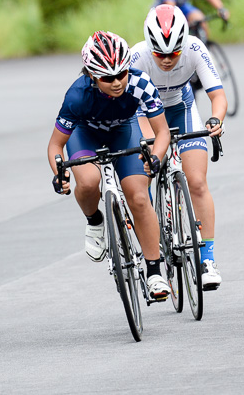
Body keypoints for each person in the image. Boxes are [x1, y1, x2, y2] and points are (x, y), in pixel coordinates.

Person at [47, 31, 173, 299]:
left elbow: (162, 132)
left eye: (122, 74)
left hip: (123, 131)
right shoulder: (77, 95)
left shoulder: (141, 83)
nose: (117, 83)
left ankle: (154, 273)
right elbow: (55, 146)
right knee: (89, 182)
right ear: (92, 76)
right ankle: (95, 220)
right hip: (86, 135)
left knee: (139, 197)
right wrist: (60, 174)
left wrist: (155, 157)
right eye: (107, 78)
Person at [131, 4, 226, 290]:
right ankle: (152, 250)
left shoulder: (195, 48)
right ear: (150, 47)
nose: (167, 60)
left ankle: (207, 260)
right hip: (143, 113)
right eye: (160, 53)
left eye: (174, 53)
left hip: (181, 108)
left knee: (196, 182)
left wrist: (215, 119)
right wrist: (152, 146)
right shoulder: (137, 56)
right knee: (143, 177)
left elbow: (218, 95)